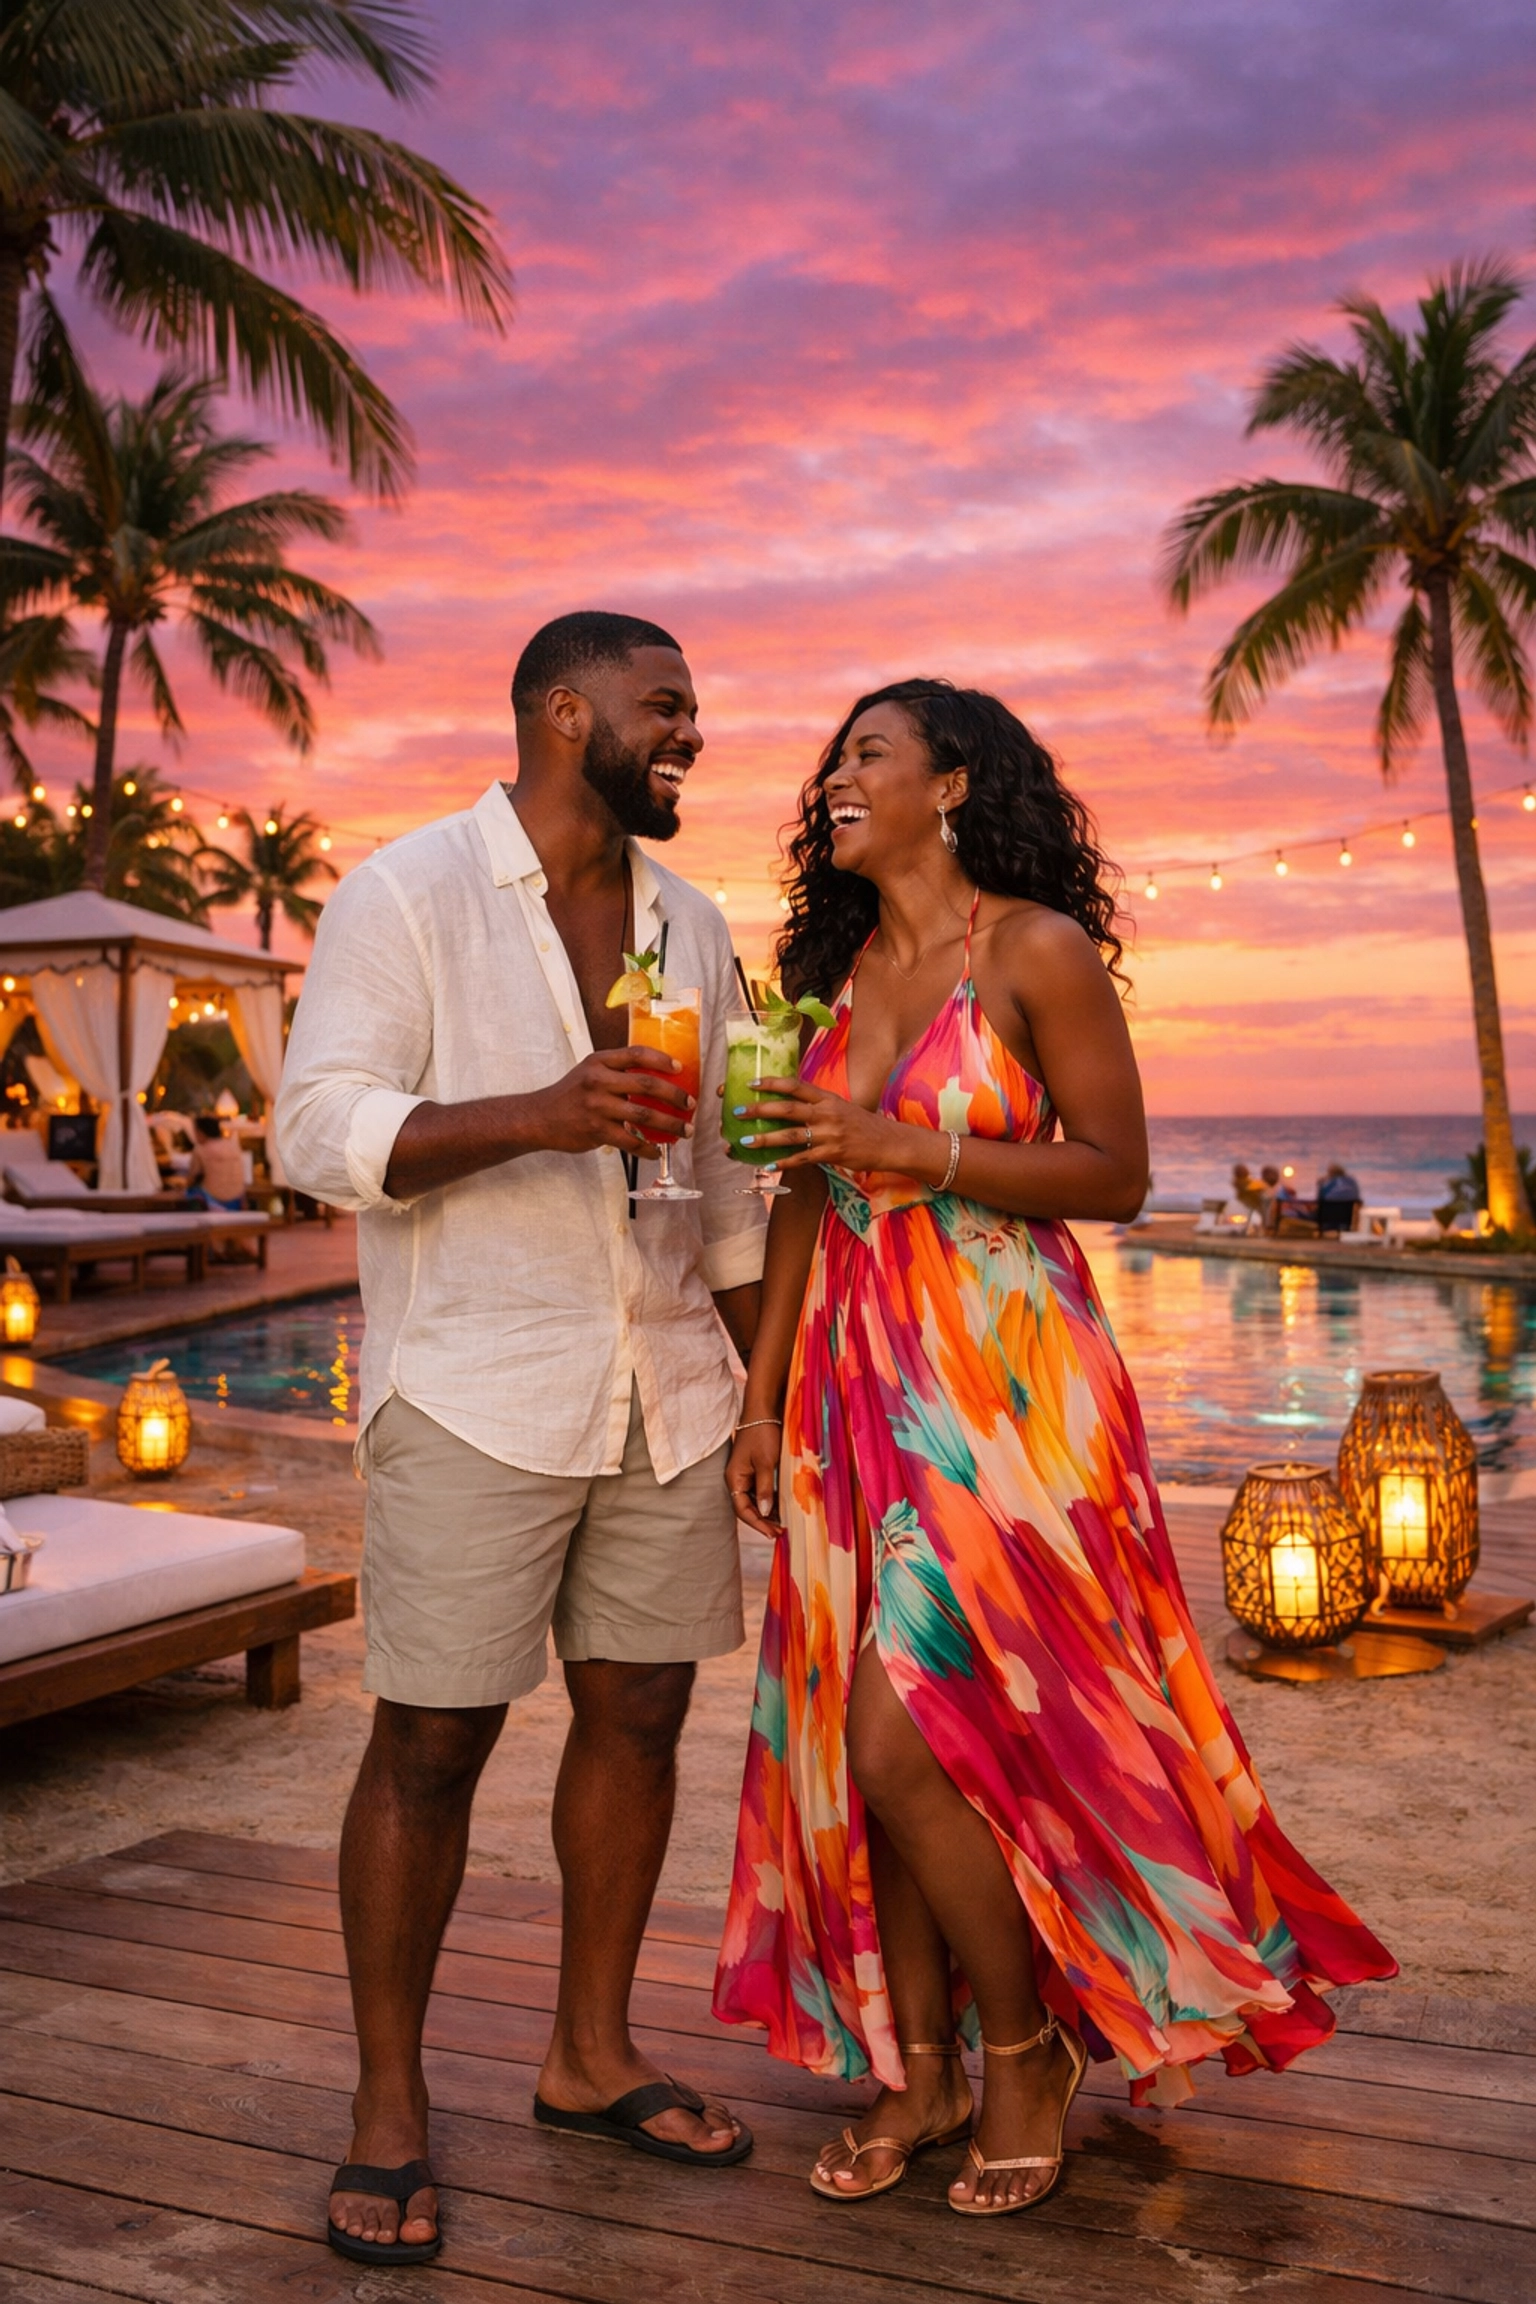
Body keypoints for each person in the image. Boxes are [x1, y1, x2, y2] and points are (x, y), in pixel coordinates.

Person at [712, 678, 1394, 2218]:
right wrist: (762, 1398)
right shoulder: (827, 977)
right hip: (853, 1389)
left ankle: (1023, 2051)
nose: (836, 777)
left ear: (952, 783)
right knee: (879, 1739)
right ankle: (922, 2072)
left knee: (905, 1734)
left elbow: (1117, 1173)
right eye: (833, 758)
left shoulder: (1034, 951)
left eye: (870, 753)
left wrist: (915, 1147)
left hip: (1012, 1392)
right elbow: (804, 1192)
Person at [277, 611, 765, 2269]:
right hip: (476, 1380)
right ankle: (388, 2102)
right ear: (567, 712)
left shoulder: (694, 924)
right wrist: (543, 1114)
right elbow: (315, 1129)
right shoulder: (406, 892)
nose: (690, 731)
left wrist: (767, 1390)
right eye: (664, 704)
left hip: (666, 1382)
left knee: (642, 1714)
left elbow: (733, 1193)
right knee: (430, 1740)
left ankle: (589, 2055)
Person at [182, 1112, 246, 1209]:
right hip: (236, 1198)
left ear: (201, 1132)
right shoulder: (233, 1145)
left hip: (213, 1199)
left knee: (190, 1192)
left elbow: (192, 1177)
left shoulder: (200, 1149)